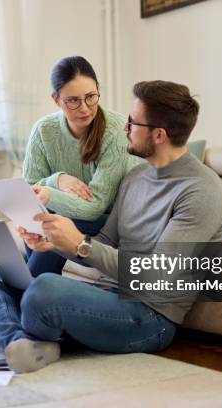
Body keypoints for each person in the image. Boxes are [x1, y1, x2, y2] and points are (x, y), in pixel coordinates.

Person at [0, 80, 222, 374]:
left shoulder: (200, 190)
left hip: (149, 317)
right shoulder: (136, 177)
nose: (124, 128)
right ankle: (20, 341)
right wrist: (54, 242)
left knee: (43, 292)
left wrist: (79, 243)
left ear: (158, 135)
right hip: (104, 292)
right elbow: (105, 239)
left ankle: (7, 323)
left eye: (132, 122)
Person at [21, 55, 141, 277]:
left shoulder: (116, 131)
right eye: (73, 100)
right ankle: (36, 298)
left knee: (55, 221)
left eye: (91, 97)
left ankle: (26, 298)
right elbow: (29, 190)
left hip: (111, 221)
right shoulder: (43, 130)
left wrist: (49, 194)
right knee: (35, 218)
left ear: (98, 90)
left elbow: (96, 206)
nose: (85, 108)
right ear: (56, 99)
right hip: (72, 214)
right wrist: (57, 180)